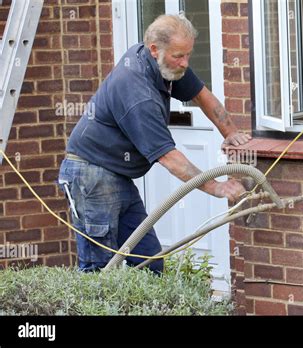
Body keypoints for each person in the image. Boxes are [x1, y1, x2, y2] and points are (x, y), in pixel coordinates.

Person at [57, 14, 251, 274]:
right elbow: (170, 159)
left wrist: (231, 134)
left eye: (188, 55)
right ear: (154, 50)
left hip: (117, 174)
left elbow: (201, 94)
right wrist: (217, 187)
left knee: (148, 260)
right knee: (98, 269)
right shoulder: (138, 94)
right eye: (179, 56)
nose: (185, 63)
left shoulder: (163, 62)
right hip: (91, 175)